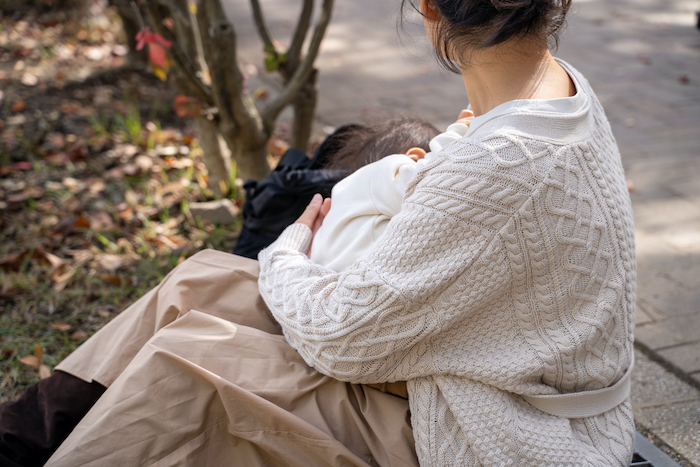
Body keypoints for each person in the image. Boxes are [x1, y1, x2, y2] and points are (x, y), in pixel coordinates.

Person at [1, 0, 638, 464]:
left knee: (189, 365)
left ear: (427, 8)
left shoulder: (504, 163)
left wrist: (289, 250)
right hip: (506, 382)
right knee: (200, 280)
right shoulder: (559, 88)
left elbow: (343, 338)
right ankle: (17, 442)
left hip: (505, 434)